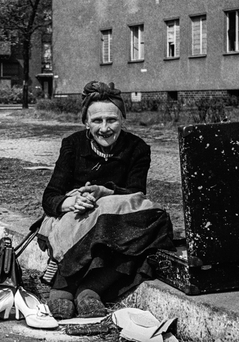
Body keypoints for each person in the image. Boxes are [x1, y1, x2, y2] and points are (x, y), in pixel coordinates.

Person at [38, 81, 176, 319]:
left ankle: (90, 289)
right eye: (96, 121)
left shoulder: (137, 148)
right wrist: (68, 203)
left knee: (155, 223)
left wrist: (105, 192)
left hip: (116, 218)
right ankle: (63, 287)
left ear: (122, 119)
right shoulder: (72, 145)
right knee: (99, 222)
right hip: (77, 220)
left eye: (111, 120)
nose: (104, 128)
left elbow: (136, 194)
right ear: (86, 123)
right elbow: (50, 196)